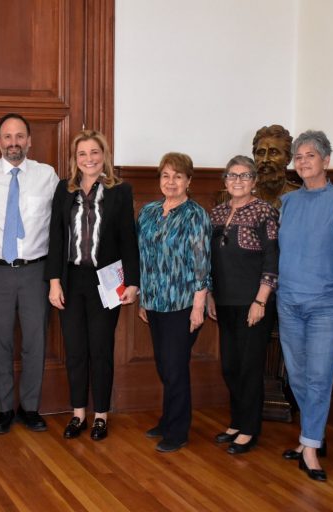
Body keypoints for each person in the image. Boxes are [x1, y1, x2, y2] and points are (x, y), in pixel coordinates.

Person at [0, 113, 59, 434]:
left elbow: (62, 219)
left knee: (35, 342)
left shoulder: (47, 175)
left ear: (29, 141)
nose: (13, 143)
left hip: (36, 271)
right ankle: (4, 409)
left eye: (20, 136)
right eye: (7, 136)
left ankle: (30, 408)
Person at [45, 130, 139, 441]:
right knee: (75, 350)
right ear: (75, 159)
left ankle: (100, 416)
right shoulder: (64, 189)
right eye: (82, 153)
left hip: (107, 280)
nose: (89, 159)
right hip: (71, 280)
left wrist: (132, 282)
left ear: (104, 155)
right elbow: (56, 237)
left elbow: (128, 239)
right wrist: (54, 282)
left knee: (101, 349)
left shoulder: (120, 191)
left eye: (94, 152)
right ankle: (78, 414)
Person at [277, 130, 333, 481]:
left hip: (330, 304)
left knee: (319, 376)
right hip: (289, 301)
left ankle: (310, 448)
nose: (303, 161)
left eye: (310, 155)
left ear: (326, 160)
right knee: (297, 375)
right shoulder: (288, 202)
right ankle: (311, 436)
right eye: (298, 157)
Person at [137, 152, 211, 453]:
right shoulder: (149, 212)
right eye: (166, 175)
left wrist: (198, 306)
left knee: (175, 366)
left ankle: (178, 431)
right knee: (164, 365)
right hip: (154, 301)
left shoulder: (196, 215)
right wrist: (143, 298)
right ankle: (168, 420)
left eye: (178, 176)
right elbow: (142, 258)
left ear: (188, 181)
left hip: (183, 304)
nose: (171, 182)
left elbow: (202, 265)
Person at [207, 155, 279, 455]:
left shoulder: (265, 212)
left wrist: (260, 300)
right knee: (230, 365)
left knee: (250, 367)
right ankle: (237, 421)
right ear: (225, 180)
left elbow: (272, 259)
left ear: (254, 181)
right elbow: (208, 260)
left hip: (254, 303)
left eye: (245, 175)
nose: (238, 181)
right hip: (224, 301)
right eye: (232, 175)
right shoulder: (216, 213)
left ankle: (249, 428)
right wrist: (210, 295)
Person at [251, 125, 300, 208]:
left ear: (288, 159)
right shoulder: (245, 194)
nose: (265, 160)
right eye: (261, 153)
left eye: (273, 152)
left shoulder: (299, 196)